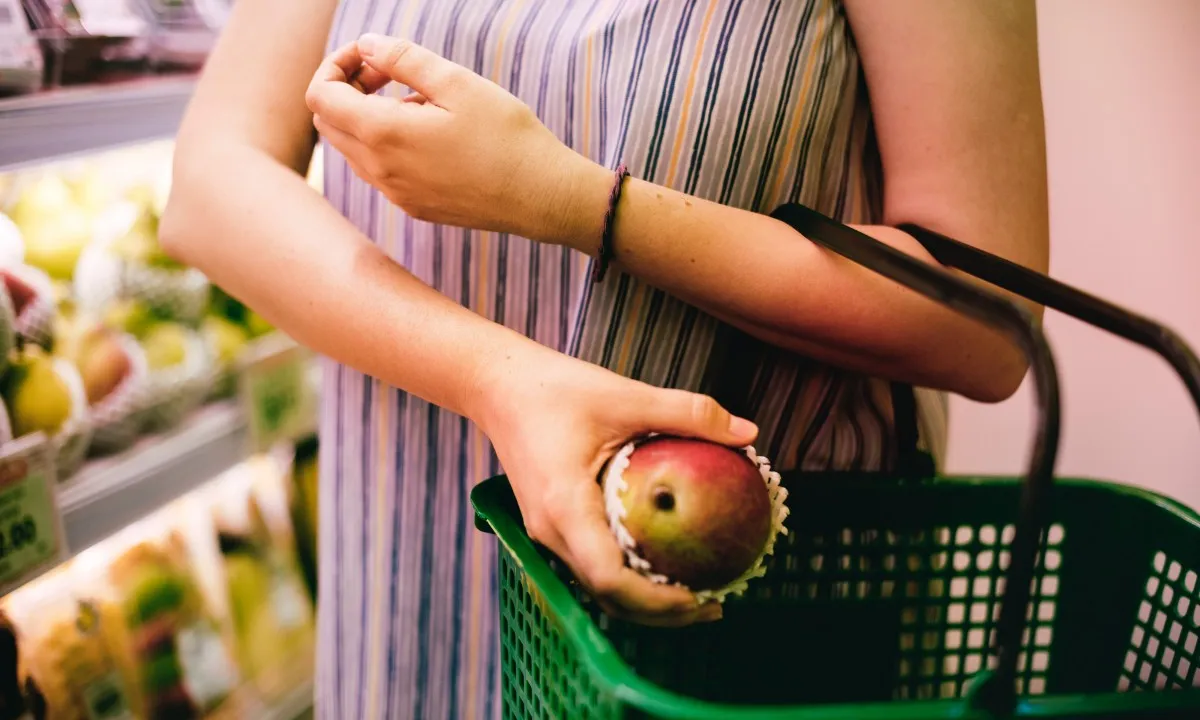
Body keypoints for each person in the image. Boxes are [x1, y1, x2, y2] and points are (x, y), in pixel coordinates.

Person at [161, 0, 1049, 717]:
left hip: (745, 581)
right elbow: (211, 179)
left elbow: (987, 324)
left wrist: (571, 200)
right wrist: (497, 377)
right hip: (411, 546)